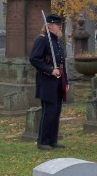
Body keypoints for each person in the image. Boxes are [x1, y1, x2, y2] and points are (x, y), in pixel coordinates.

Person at [29, 13, 69, 150]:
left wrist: (66, 81)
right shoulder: (42, 40)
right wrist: (50, 70)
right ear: (50, 25)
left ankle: (53, 139)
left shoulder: (56, 42)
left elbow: (62, 64)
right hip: (46, 81)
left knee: (56, 111)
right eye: (58, 25)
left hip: (58, 82)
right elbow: (34, 59)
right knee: (49, 111)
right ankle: (43, 141)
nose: (60, 28)